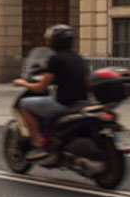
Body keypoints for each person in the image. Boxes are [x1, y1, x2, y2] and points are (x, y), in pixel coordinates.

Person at [12, 24, 88, 158]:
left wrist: (24, 83)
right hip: (80, 102)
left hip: (62, 103)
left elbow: (41, 87)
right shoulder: (78, 58)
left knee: (24, 104)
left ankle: (37, 142)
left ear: (54, 42)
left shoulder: (56, 59)